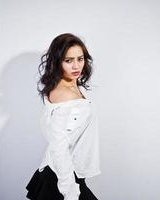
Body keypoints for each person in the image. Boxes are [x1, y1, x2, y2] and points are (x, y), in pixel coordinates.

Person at [25, 33, 101, 200]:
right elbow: (59, 146)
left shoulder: (73, 87)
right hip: (61, 176)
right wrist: (69, 191)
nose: (76, 66)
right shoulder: (64, 95)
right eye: (68, 60)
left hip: (65, 172)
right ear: (57, 61)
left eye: (80, 59)